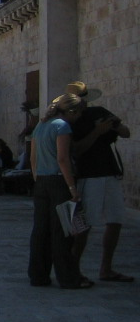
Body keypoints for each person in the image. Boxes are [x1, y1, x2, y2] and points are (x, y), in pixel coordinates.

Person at [67, 81, 133, 282]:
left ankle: (106, 268)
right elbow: (76, 150)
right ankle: (73, 269)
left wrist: (116, 125)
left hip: (109, 172)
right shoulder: (70, 121)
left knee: (116, 220)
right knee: (84, 225)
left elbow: (126, 133)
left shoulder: (99, 112)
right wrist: (97, 132)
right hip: (89, 175)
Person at [28, 93, 91, 289]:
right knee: (62, 233)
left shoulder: (41, 125)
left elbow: (33, 158)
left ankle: (38, 275)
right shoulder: (62, 126)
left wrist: (38, 179)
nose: (79, 117)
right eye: (79, 113)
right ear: (72, 111)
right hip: (58, 182)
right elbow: (63, 159)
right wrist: (72, 188)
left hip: (42, 182)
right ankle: (68, 278)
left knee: (40, 231)